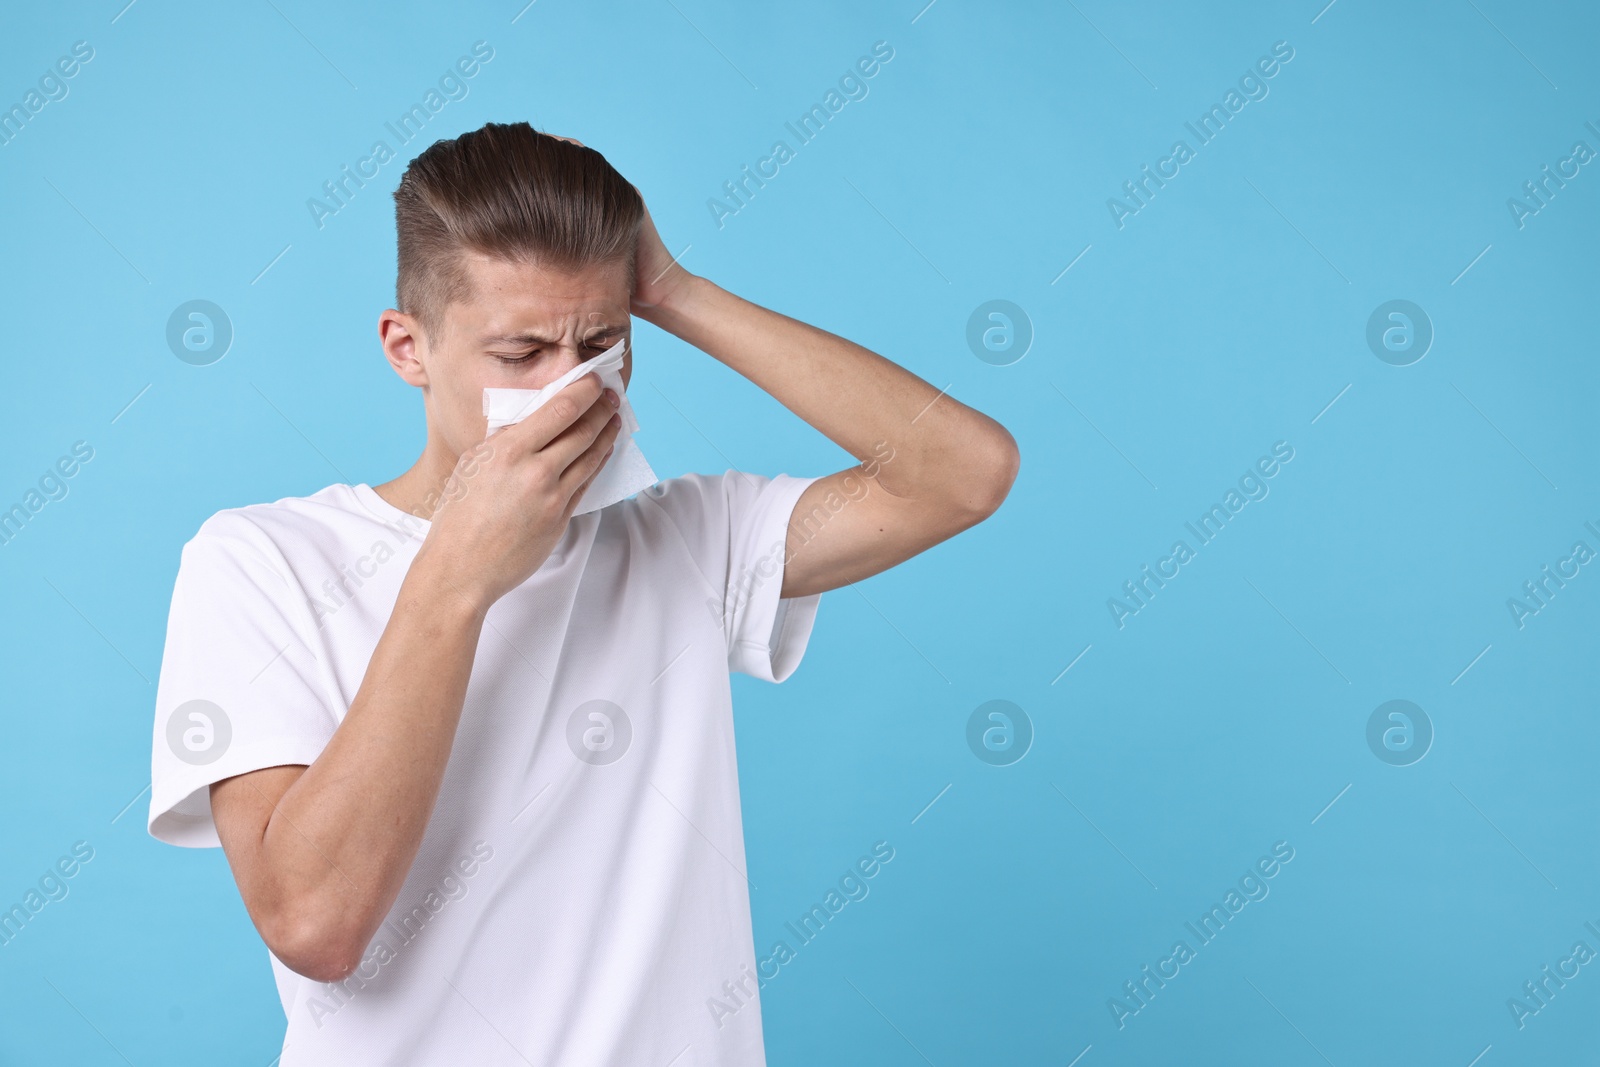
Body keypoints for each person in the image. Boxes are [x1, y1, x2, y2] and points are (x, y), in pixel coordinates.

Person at [148, 120, 1018, 1066]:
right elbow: (315, 924)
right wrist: (456, 577)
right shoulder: (260, 561)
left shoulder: (687, 541)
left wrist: (677, 292)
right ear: (409, 348)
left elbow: (963, 473)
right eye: (520, 355)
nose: (574, 393)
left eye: (602, 343)